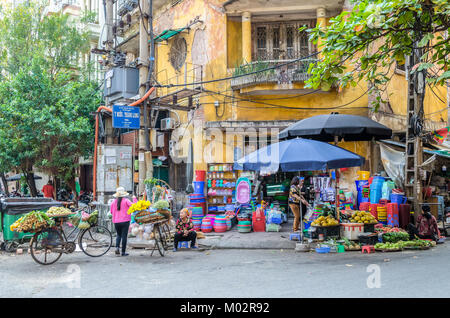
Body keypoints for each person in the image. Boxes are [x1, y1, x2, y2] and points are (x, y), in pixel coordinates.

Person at [110, 187, 137, 256]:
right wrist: (134, 199)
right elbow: (134, 207)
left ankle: (117, 247)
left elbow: (111, 212)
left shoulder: (113, 202)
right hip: (125, 221)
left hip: (116, 221)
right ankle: (123, 252)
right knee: (124, 236)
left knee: (118, 235)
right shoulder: (126, 200)